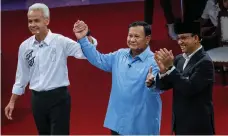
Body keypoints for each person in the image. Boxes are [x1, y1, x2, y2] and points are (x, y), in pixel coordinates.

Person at [4, 3, 97, 135]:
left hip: (58, 98)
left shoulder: (60, 41)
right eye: (30, 21)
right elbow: (21, 77)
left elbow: (84, 53)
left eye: (36, 20)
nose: (32, 24)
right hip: (37, 100)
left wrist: (85, 36)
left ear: (46, 21)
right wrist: (12, 101)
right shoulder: (24, 47)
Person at [74, 21, 162, 135]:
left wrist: (153, 82)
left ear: (147, 39)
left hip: (141, 125)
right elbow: (99, 59)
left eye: (136, 36)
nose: (132, 40)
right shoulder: (120, 55)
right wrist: (83, 39)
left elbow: (159, 86)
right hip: (118, 122)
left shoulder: (155, 61)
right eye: (130, 36)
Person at [146, 22, 215, 135]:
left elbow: (189, 89)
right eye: (178, 38)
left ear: (196, 38)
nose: (179, 42)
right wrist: (161, 73)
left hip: (198, 125)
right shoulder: (179, 59)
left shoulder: (205, 62)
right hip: (180, 123)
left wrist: (170, 68)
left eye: (183, 38)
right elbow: (166, 85)